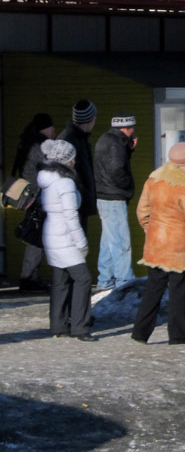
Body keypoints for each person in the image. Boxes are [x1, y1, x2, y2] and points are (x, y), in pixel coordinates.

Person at [131, 142, 185, 346]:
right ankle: (178, 335)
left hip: (156, 245)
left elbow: (142, 212)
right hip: (181, 249)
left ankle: (140, 332)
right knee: (178, 293)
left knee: (153, 289)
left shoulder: (153, 181)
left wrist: (151, 230)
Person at [37, 139, 95, 341]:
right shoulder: (65, 182)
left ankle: (58, 325)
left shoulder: (47, 179)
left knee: (60, 279)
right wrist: (81, 243)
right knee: (83, 278)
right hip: (64, 235)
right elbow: (71, 215)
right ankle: (80, 327)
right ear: (68, 160)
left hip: (51, 233)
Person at [11, 112, 56, 293]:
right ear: (45, 127)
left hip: (31, 194)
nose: (53, 130)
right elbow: (50, 165)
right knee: (36, 238)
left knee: (35, 236)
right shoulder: (38, 145)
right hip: (37, 196)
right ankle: (28, 277)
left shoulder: (28, 140)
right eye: (51, 127)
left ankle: (30, 275)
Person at [94, 112, 138, 291]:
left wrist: (129, 149)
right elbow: (117, 169)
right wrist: (127, 187)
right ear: (127, 128)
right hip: (114, 197)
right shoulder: (116, 144)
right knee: (121, 242)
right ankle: (124, 281)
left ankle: (105, 279)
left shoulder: (107, 139)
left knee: (108, 241)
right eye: (133, 127)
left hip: (104, 196)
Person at [59, 99, 98, 229]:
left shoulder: (78, 138)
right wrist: (79, 200)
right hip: (75, 204)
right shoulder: (70, 140)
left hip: (78, 201)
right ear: (89, 120)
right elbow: (68, 174)